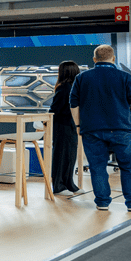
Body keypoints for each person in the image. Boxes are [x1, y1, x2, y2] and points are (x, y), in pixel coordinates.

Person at [69, 44, 131, 212]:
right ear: (113, 58)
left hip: (91, 130)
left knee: (97, 167)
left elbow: (73, 105)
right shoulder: (125, 77)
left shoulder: (82, 78)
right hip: (121, 129)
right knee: (128, 166)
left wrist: (78, 125)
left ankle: (102, 202)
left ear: (94, 59)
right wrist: (127, 119)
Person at [49, 61, 81, 196]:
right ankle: (59, 186)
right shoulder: (65, 88)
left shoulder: (68, 87)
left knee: (69, 156)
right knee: (62, 156)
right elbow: (55, 110)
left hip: (68, 125)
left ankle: (68, 183)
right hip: (63, 126)